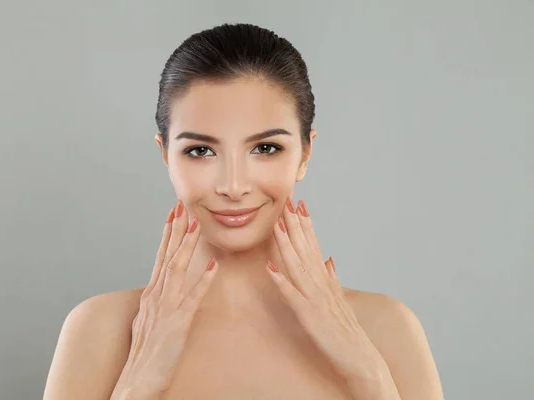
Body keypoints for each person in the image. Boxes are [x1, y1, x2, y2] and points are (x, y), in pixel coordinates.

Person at [43, 23, 444, 400]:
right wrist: (138, 383)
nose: (233, 186)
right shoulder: (99, 330)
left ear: (305, 153)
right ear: (165, 155)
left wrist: (366, 371)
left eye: (265, 148)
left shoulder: (387, 329)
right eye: (200, 151)